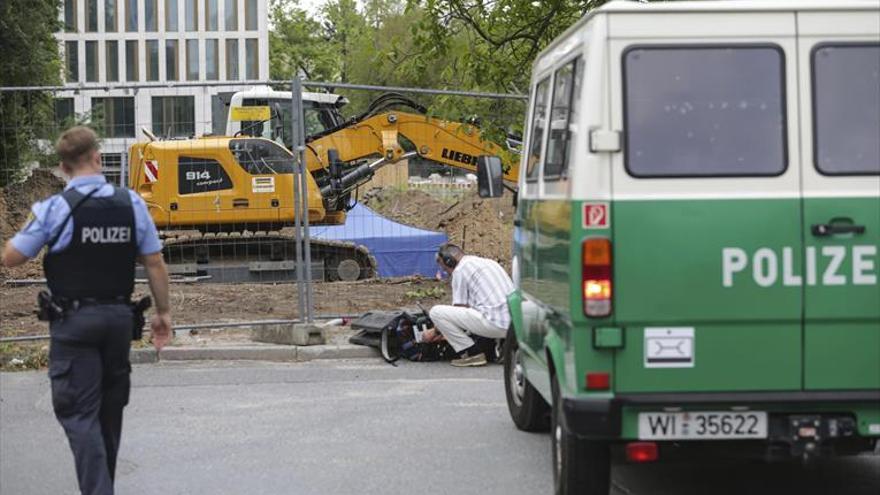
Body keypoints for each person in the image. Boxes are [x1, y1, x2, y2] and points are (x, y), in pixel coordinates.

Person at [1, 126, 172, 495]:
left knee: (79, 414)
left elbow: (12, 258)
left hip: (74, 323)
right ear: (97, 158)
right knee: (108, 415)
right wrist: (164, 313)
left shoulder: (54, 209)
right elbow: (155, 262)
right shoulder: (131, 203)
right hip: (117, 322)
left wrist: (32, 227)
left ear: (63, 169)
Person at [424, 243, 514, 367]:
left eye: (445, 268)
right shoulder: (488, 262)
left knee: (436, 312)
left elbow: (459, 308)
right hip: (514, 325)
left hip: (495, 324)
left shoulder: (460, 270)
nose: (447, 273)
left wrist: (434, 332)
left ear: (449, 261)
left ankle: (472, 354)